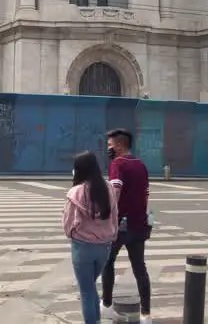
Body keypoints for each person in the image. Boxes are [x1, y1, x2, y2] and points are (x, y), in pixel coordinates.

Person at [100, 129, 152, 324]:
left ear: (120, 145)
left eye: (110, 145)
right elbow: (146, 194)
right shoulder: (141, 165)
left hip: (119, 226)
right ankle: (146, 314)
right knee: (140, 268)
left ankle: (106, 305)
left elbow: (115, 192)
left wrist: (108, 218)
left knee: (108, 262)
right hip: (139, 225)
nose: (109, 149)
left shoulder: (118, 164)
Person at [63, 151, 119, 324]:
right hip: (104, 246)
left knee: (86, 291)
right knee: (90, 288)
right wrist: (113, 234)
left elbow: (69, 222)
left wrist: (71, 234)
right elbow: (115, 215)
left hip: (83, 247)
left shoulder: (76, 192)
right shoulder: (108, 187)